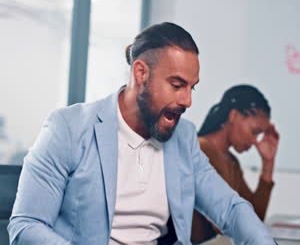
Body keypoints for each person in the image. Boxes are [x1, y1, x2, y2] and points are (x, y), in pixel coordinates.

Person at [8, 22, 276, 245]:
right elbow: (26, 225)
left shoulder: (183, 138)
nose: (187, 101)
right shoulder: (68, 128)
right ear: (140, 73)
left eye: (191, 88)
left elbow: (230, 208)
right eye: (176, 85)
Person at [191, 85, 279, 244]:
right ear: (234, 116)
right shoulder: (201, 150)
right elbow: (230, 226)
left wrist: (268, 163)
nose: (254, 141)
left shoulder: (231, 161)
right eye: (254, 132)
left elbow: (255, 220)